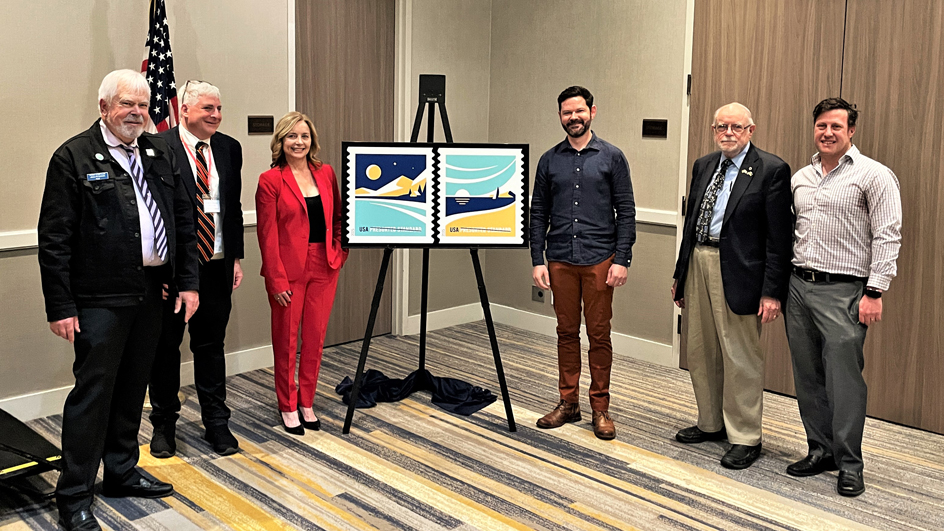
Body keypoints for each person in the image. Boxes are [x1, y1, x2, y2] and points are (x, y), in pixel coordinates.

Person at [38, 69, 200, 531]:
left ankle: (122, 473)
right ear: (104, 107)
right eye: (127, 104)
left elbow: (182, 220)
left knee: (133, 388)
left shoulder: (157, 151)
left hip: (153, 293)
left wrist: (187, 281)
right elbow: (54, 239)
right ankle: (73, 494)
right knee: (94, 396)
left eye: (143, 105)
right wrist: (61, 306)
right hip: (98, 297)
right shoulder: (72, 156)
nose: (137, 113)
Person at [784, 97, 902, 497]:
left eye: (836, 126)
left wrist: (875, 291)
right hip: (798, 287)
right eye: (821, 126)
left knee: (844, 380)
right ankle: (820, 450)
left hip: (845, 291)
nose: (828, 133)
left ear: (851, 131)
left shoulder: (874, 175)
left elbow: (887, 235)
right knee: (808, 376)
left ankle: (850, 463)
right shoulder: (800, 176)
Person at [671, 103, 793, 469]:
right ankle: (710, 423)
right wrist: (680, 273)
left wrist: (772, 292)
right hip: (699, 262)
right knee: (700, 349)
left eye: (736, 127)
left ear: (750, 130)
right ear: (713, 129)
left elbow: (779, 238)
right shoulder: (704, 165)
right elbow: (692, 221)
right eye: (721, 126)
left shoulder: (771, 170)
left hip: (740, 272)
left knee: (741, 357)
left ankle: (745, 436)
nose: (728, 132)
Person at [530, 86, 636, 440]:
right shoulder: (549, 160)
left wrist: (621, 260)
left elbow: (627, 212)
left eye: (578, 111)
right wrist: (537, 260)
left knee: (599, 334)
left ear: (592, 111)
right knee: (565, 333)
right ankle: (568, 402)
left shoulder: (612, 157)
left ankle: (600, 408)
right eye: (566, 113)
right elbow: (538, 213)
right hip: (559, 258)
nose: (573, 118)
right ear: (560, 116)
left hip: (599, 259)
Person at [148, 81, 244, 458]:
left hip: (217, 263)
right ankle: (164, 425)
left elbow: (232, 208)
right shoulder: (158, 147)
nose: (216, 115)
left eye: (219, 108)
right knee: (165, 349)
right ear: (184, 110)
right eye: (208, 108)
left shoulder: (229, 148)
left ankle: (216, 423)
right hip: (174, 271)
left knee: (211, 347)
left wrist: (234, 256)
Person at [256, 112, 348, 435]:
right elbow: (266, 236)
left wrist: (339, 251)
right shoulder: (270, 181)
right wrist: (276, 278)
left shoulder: (326, 174)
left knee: (315, 339)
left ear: (312, 140)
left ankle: (306, 400)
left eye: (304, 136)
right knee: (286, 340)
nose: (299, 142)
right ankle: (287, 404)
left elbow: (338, 217)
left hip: (324, 264)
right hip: (287, 270)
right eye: (292, 136)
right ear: (281, 141)